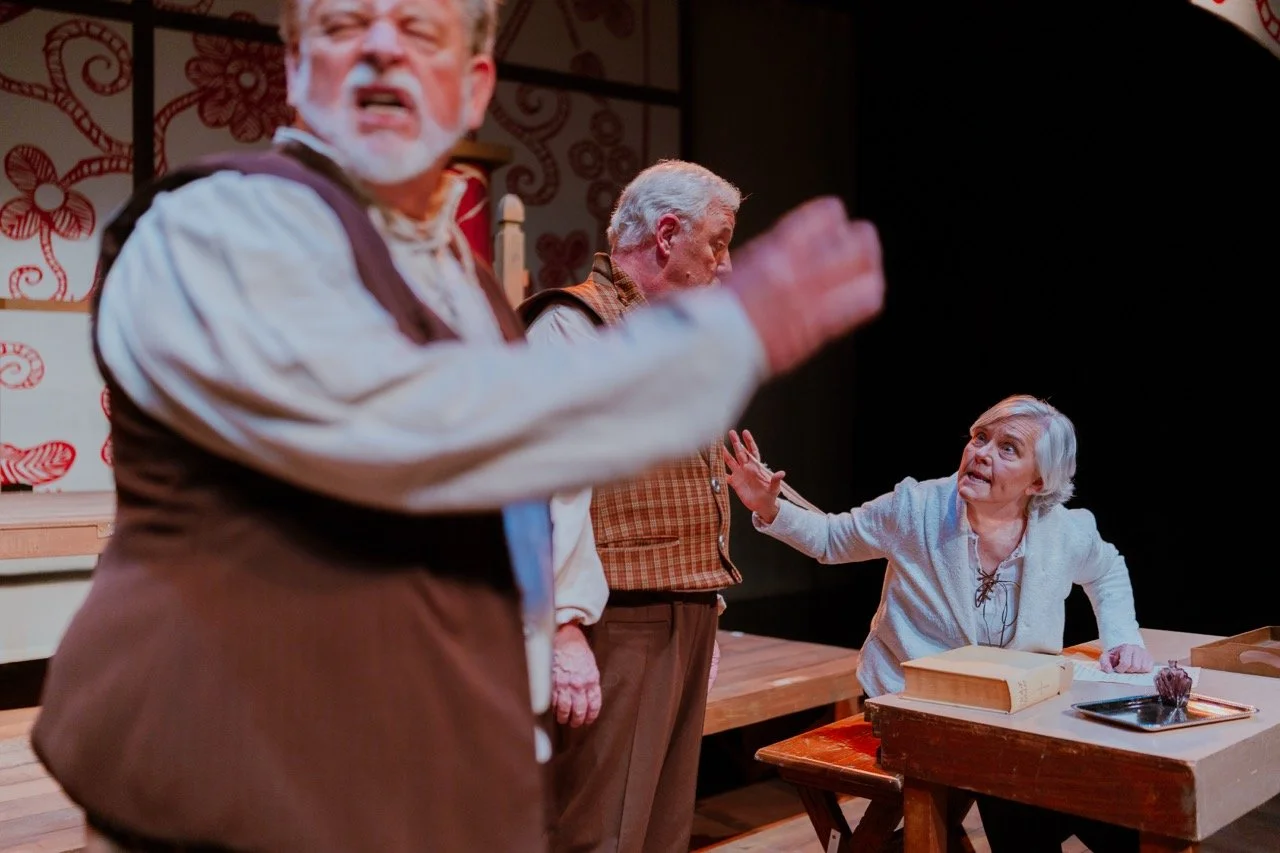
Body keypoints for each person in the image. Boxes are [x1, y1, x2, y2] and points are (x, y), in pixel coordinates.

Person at [30, 1, 887, 852]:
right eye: (340, 25)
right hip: (228, 781)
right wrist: (713, 345)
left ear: (474, 87)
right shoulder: (212, 227)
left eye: (419, 30)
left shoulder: (468, 287)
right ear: (294, 70)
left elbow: (523, 501)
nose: (378, 47)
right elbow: (390, 431)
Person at [722, 393, 1153, 853]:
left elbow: (1107, 569)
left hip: (1017, 706)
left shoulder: (1064, 531)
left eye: (1008, 448)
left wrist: (1122, 639)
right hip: (915, 702)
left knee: (1110, 793)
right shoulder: (918, 509)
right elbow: (832, 538)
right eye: (980, 438)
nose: (981, 453)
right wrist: (769, 508)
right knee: (1016, 779)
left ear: (1039, 481)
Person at [519, 159, 743, 853]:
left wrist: (706, 601)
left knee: (661, 827)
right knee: (601, 830)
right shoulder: (575, 325)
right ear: (668, 233)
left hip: (681, 609)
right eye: (718, 241)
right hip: (618, 618)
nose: (727, 265)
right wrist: (563, 627)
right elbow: (543, 485)